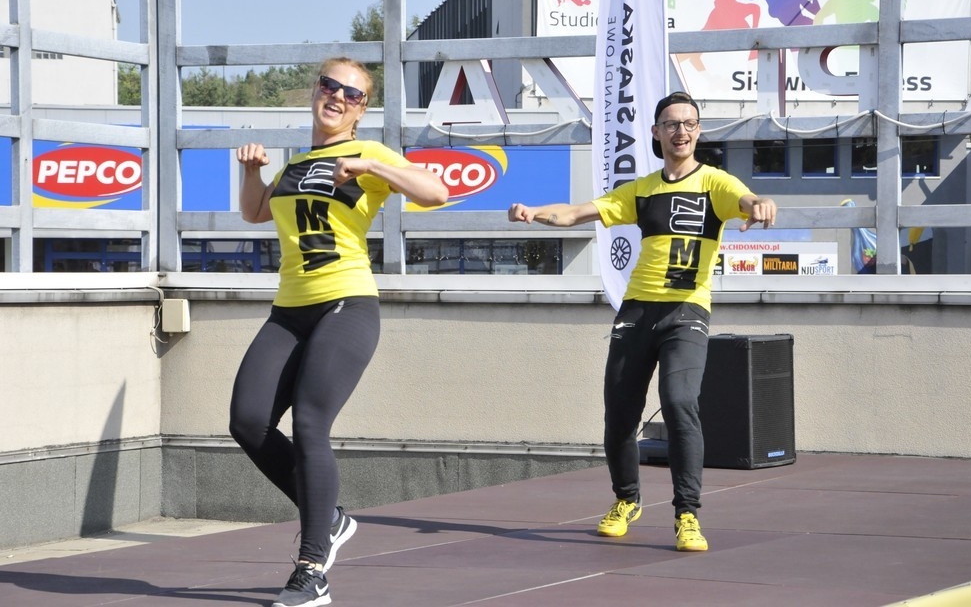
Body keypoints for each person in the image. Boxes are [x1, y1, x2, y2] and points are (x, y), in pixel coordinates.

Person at [508, 91, 777, 553]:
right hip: (636, 311)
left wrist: (761, 204)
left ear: (698, 132)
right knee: (619, 414)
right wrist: (534, 213)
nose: (681, 131)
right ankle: (626, 500)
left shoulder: (715, 182)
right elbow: (577, 213)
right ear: (656, 132)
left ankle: (687, 513)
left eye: (689, 124)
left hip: (686, 310)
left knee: (679, 402)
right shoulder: (643, 189)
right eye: (671, 124)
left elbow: (748, 199)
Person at [230, 57, 448, 607]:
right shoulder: (297, 162)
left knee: (310, 424)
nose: (338, 97)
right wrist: (251, 171)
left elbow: (435, 192)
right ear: (315, 90)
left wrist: (371, 168)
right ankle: (330, 516)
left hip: (347, 303)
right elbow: (256, 213)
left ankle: (312, 569)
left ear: (361, 110)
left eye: (352, 94)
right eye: (330, 86)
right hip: (289, 310)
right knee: (248, 421)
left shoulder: (368, 153)